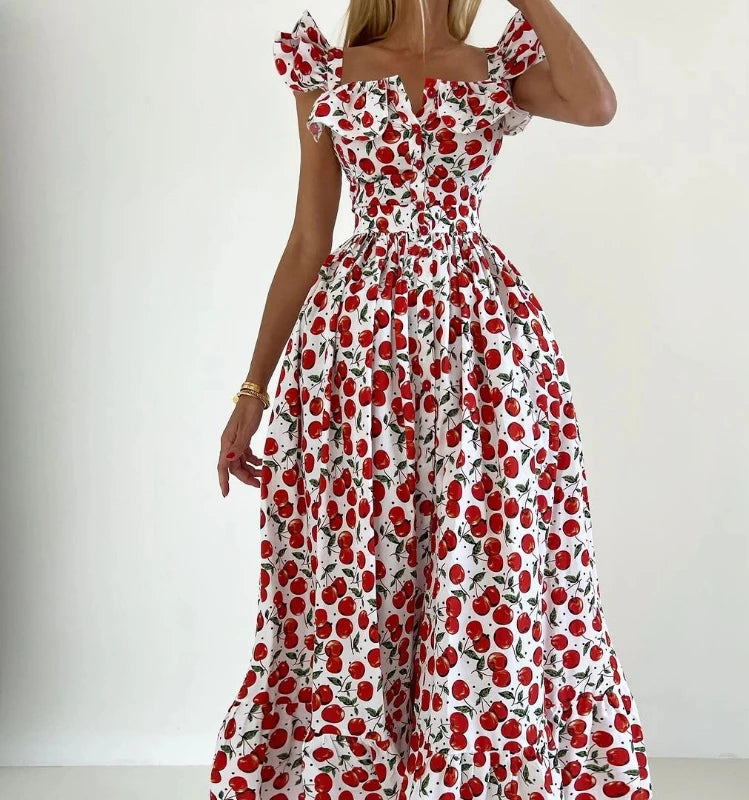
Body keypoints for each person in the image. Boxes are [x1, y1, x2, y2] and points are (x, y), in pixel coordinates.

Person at [209, 2, 653, 799]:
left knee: (484, 547)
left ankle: (479, 767)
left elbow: (596, 106)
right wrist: (252, 388)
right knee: (361, 559)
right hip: (355, 353)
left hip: (480, 343)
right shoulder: (329, 71)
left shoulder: (498, 65)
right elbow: (310, 237)